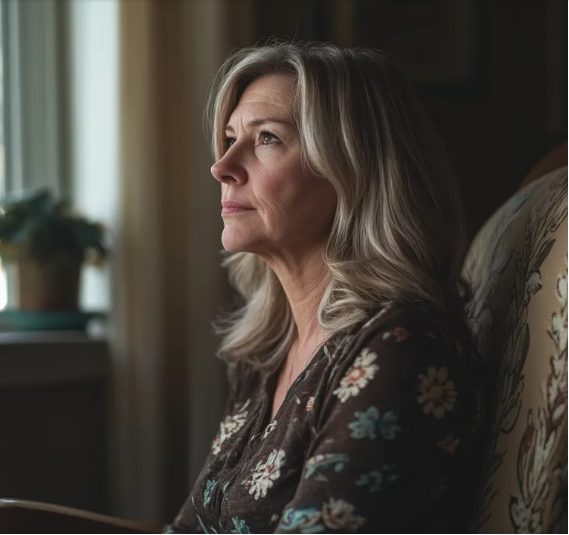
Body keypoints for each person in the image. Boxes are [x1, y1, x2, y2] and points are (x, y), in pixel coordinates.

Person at [164, 41, 482, 534]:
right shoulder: (266, 355)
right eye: (229, 138)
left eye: (267, 138)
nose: (222, 166)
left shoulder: (402, 347)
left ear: (354, 168)